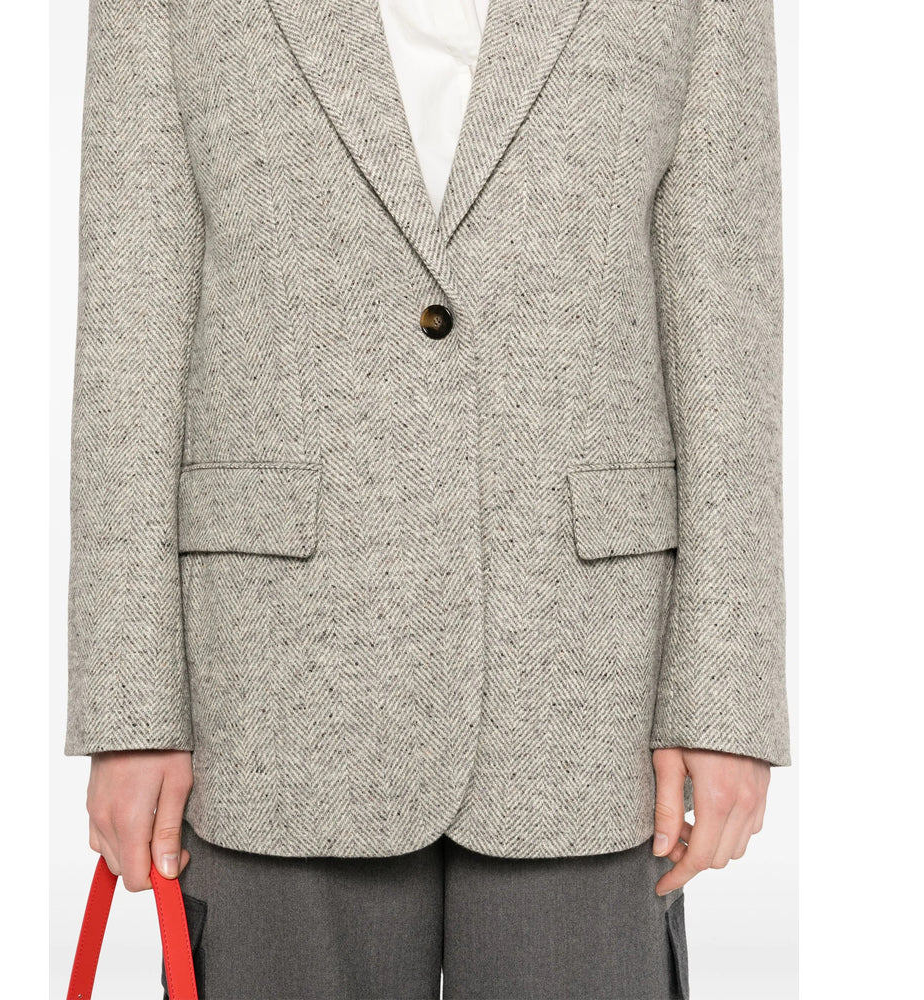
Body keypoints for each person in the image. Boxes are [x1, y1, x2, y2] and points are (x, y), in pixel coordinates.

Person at [65, 0, 790, 996]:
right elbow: (129, 329)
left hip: (589, 687)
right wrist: (132, 709)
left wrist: (726, 697)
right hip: (273, 684)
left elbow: (729, 331)